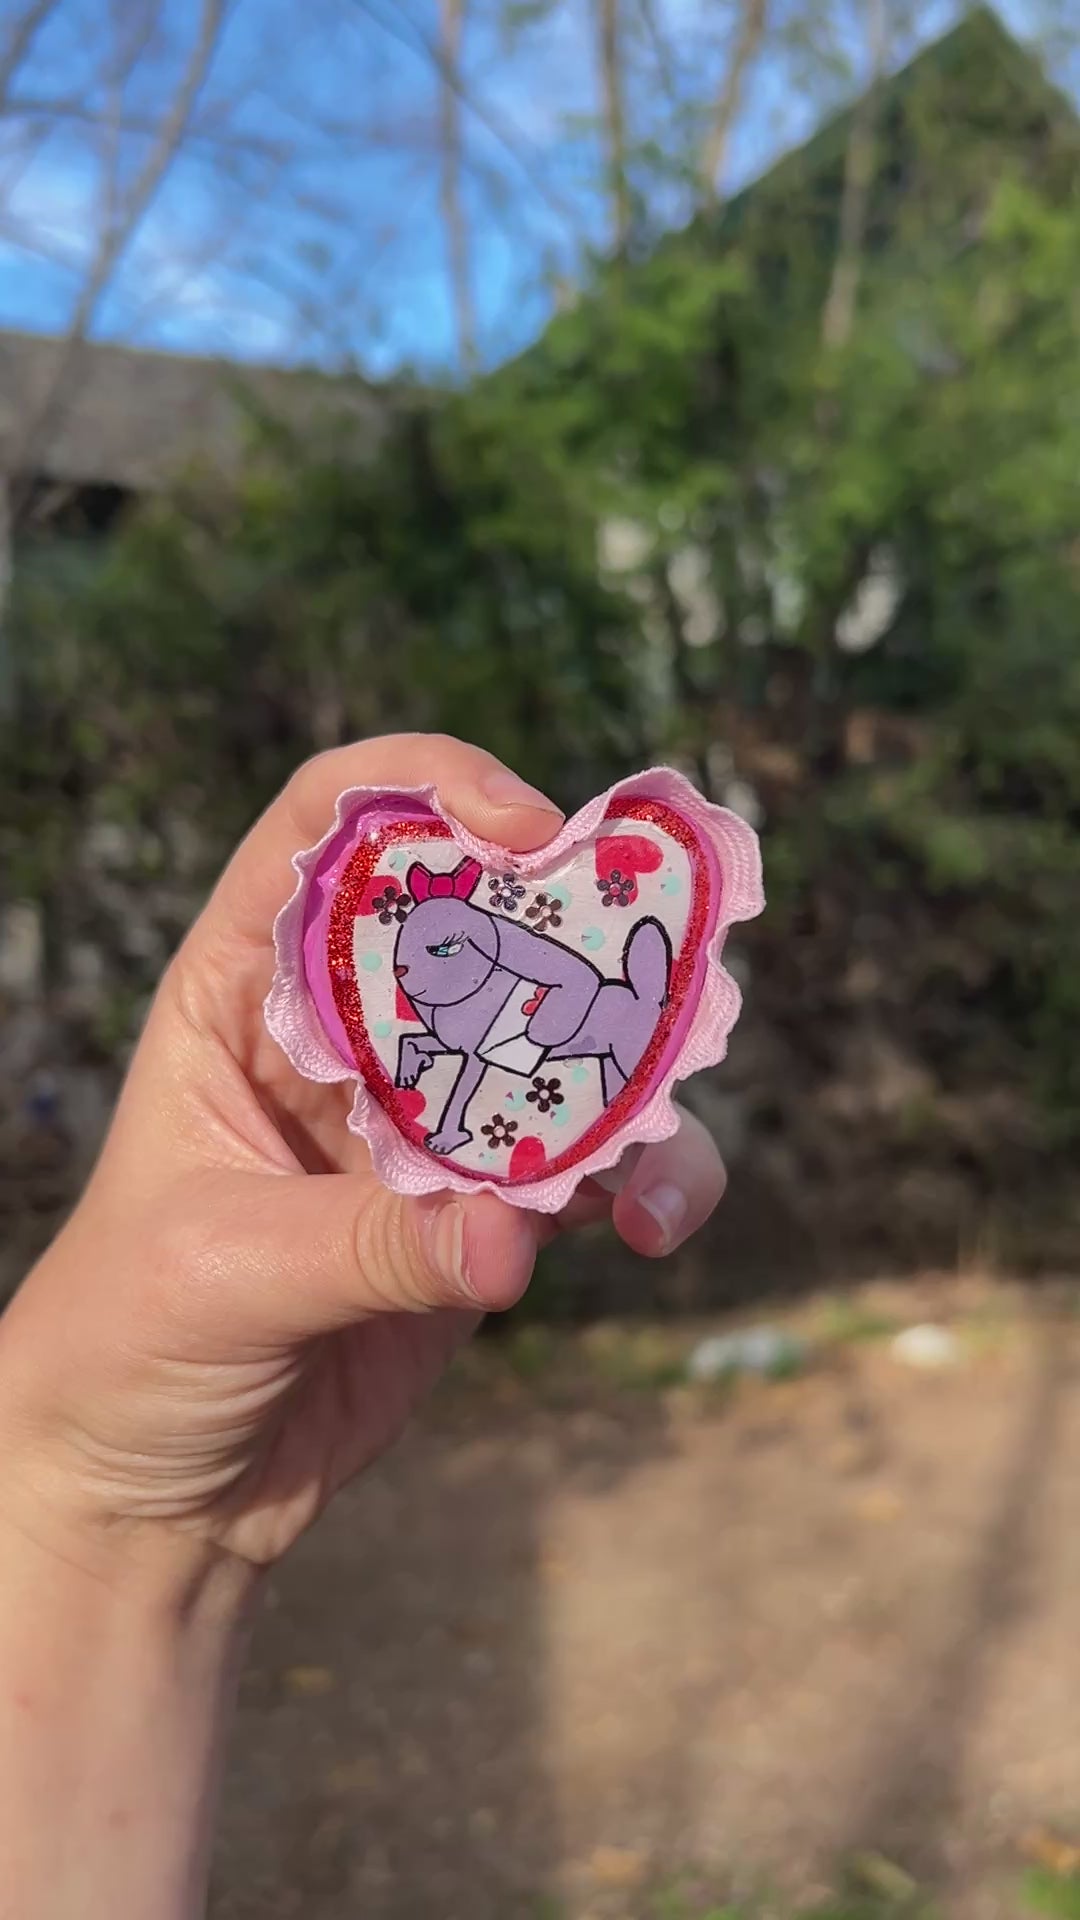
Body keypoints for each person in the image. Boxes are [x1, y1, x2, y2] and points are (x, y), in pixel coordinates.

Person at [0, 736, 727, 1919]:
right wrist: (97, 1519)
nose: (436, 977)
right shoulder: (431, 984)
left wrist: (120, 1538)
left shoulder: (520, 988)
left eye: (452, 959)